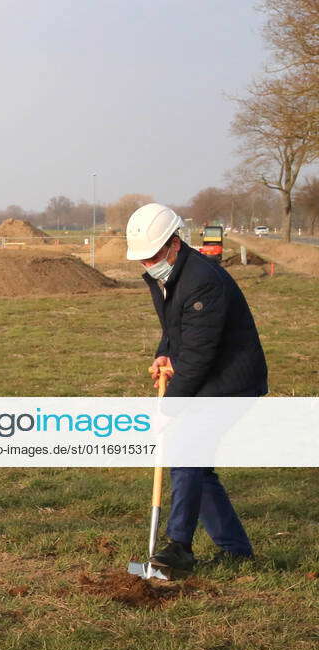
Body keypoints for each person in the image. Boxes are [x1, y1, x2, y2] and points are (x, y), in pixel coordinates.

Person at [126, 203, 267, 570]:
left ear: (174, 243)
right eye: (142, 258)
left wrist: (167, 409)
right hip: (208, 375)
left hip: (232, 382)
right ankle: (236, 551)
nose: (147, 263)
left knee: (185, 449)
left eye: (152, 255)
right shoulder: (166, 275)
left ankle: (179, 547)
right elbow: (176, 329)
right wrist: (163, 354)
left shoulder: (202, 279)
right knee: (196, 467)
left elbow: (200, 354)